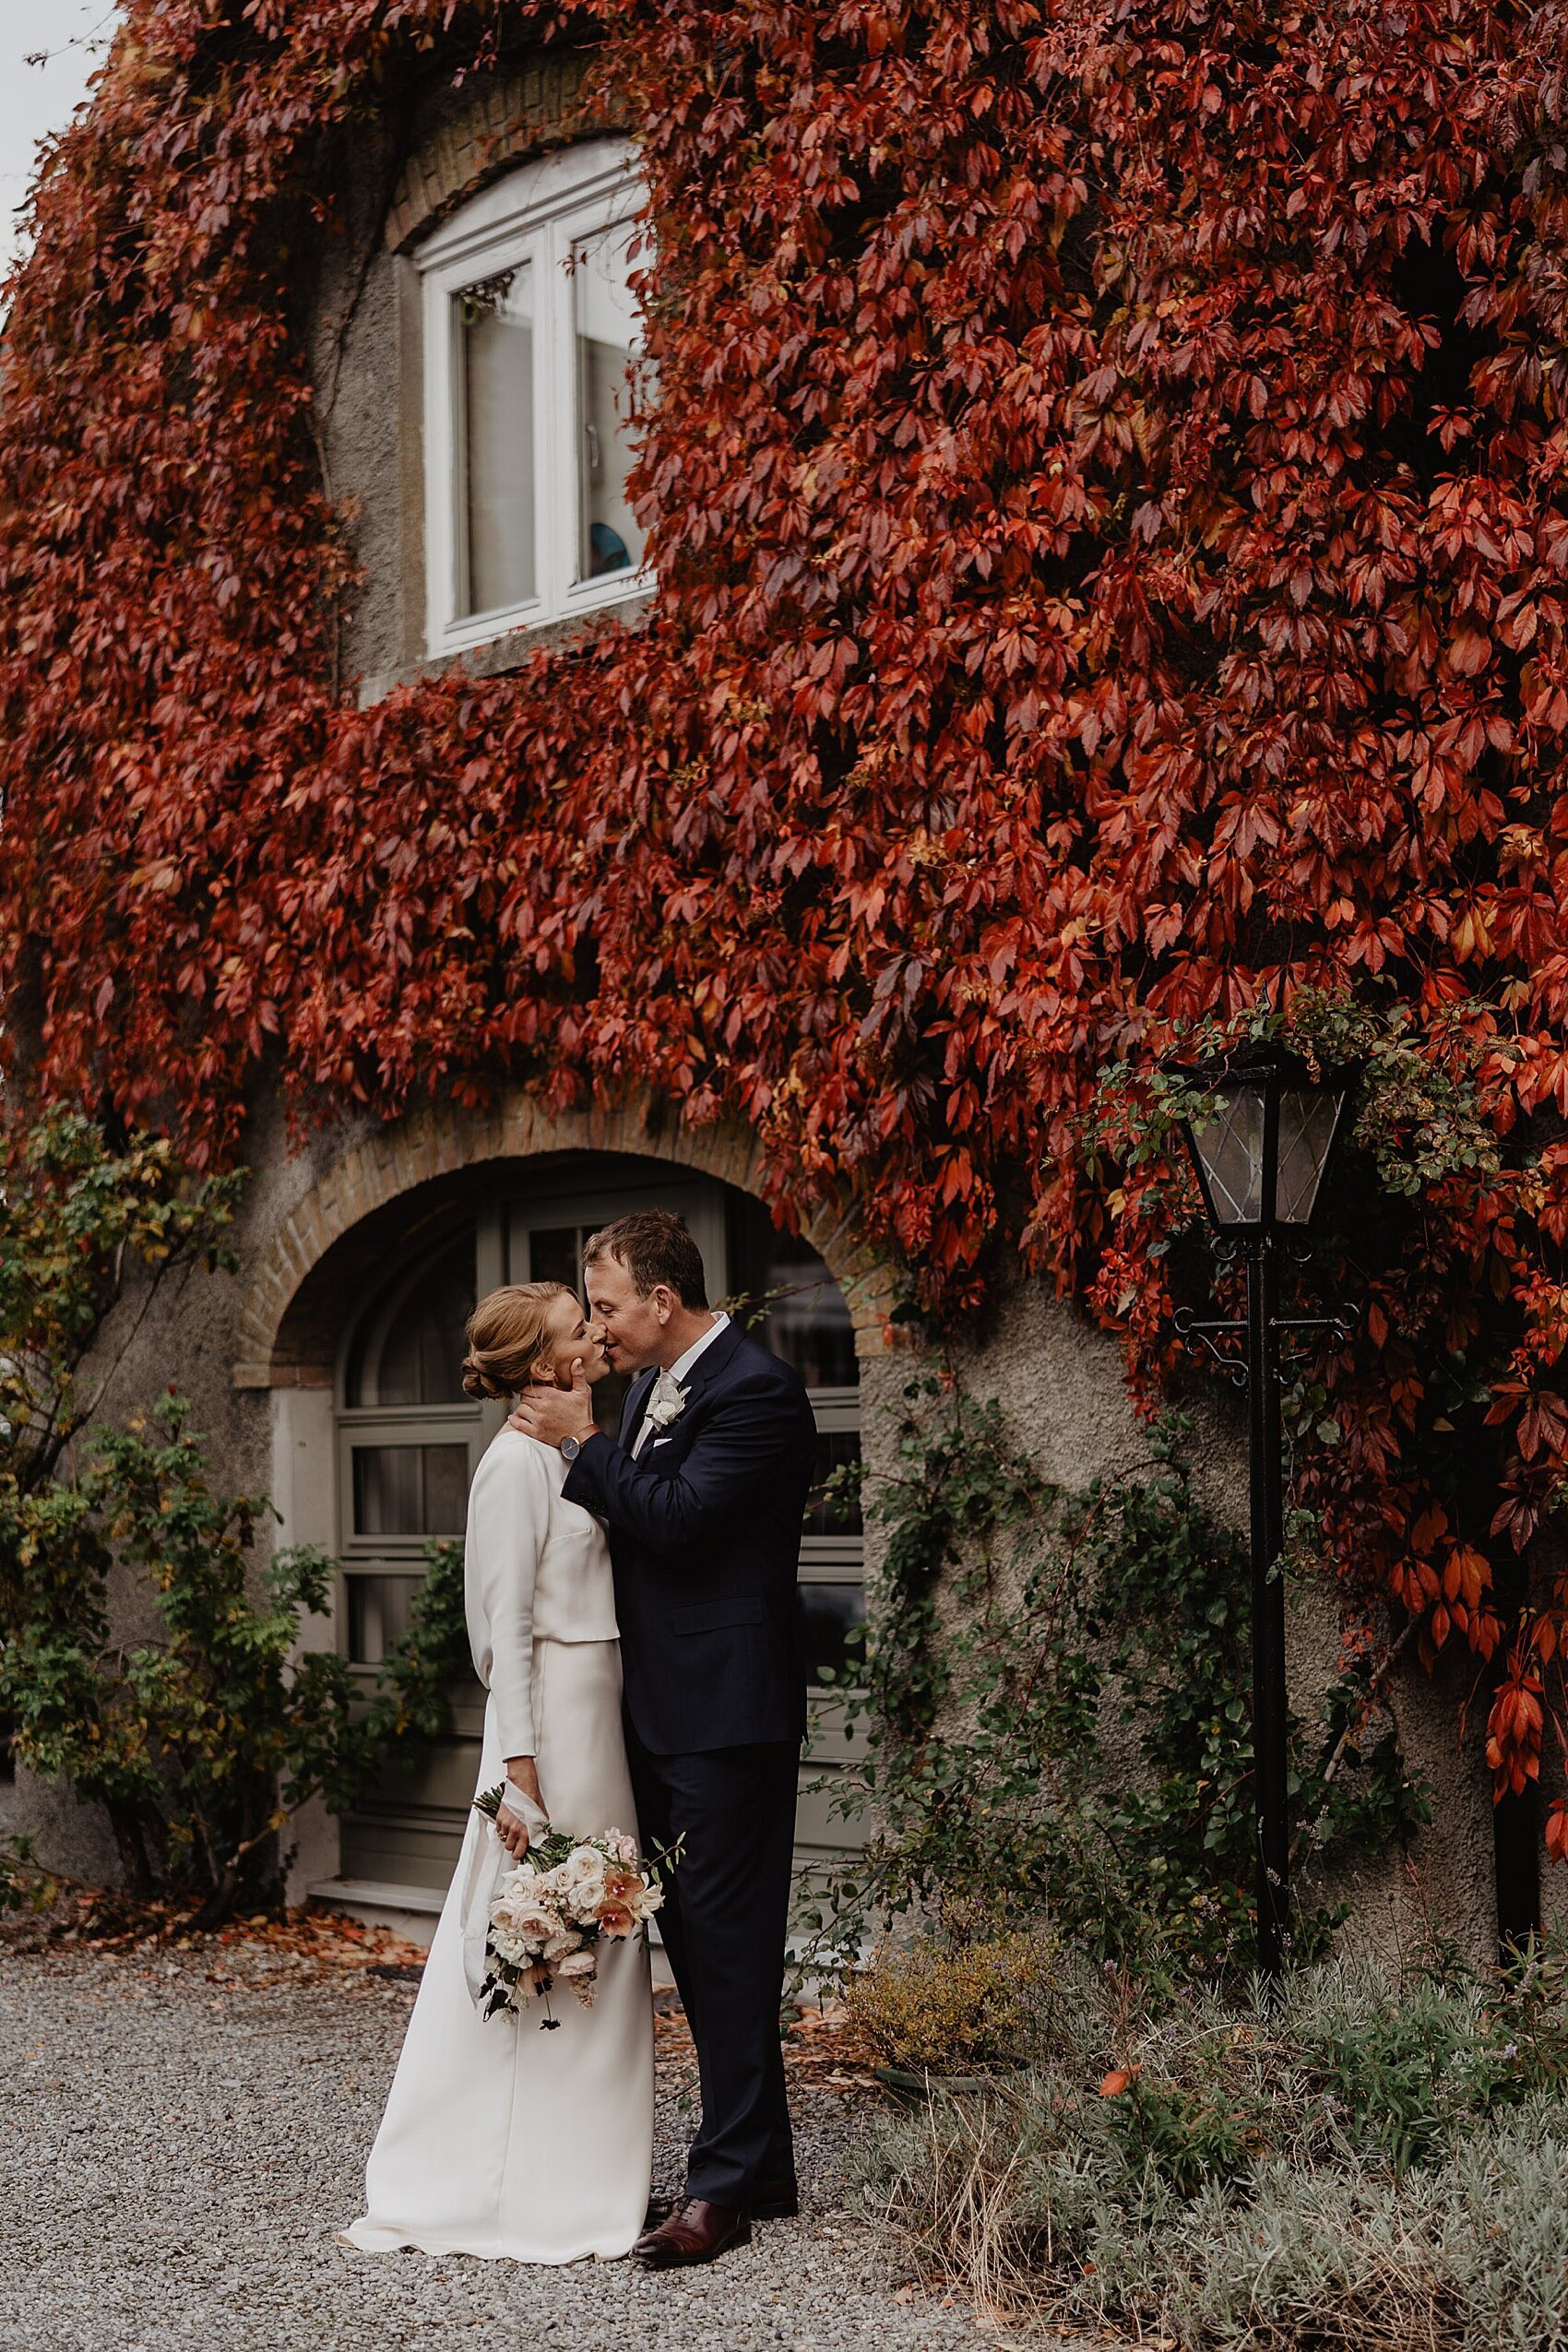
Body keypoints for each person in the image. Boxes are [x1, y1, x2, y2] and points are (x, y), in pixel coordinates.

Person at [511, 1209, 816, 2270]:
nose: (596, 1326)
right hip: (652, 1710)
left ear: (660, 1300)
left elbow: (679, 1520)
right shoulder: (644, 1389)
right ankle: (763, 2162)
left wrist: (581, 1442)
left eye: (604, 1305)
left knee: (728, 1948)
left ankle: (720, 2188)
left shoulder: (760, 1392)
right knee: (694, 1942)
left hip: (728, 1716)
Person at [341, 1282, 653, 2265]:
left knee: (602, 1936)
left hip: (600, 1726)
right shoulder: (511, 1466)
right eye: (577, 1329)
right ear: (537, 1366)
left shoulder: (574, 1450)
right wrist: (518, 1777)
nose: (596, 1334)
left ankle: (592, 2172)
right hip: (548, 1732)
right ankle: (488, 2182)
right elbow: (499, 1633)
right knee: (533, 1930)